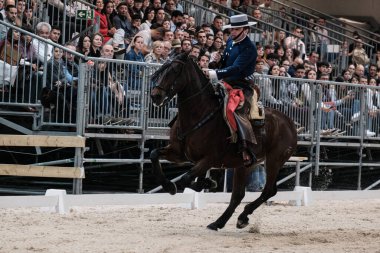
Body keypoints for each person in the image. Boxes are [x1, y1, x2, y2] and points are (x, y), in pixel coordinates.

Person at [204, 14, 258, 166]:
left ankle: (244, 146)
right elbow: (227, 63)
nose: (233, 32)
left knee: (232, 109)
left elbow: (236, 68)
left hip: (241, 84)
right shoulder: (230, 41)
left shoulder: (250, 48)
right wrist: (217, 62)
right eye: (232, 29)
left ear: (245, 30)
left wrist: (215, 73)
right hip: (225, 80)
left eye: (237, 29)